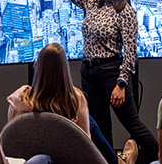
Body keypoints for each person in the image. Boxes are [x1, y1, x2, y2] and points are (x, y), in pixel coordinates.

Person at [18, 0, 158, 161]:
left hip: (112, 73)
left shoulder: (126, 12)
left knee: (133, 124)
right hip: (89, 72)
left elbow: (130, 50)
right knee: (100, 128)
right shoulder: (92, 3)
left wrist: (121, 83)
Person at [7, 43, 137, 164]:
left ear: (36, 66)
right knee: (89, 121)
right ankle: (118, 162)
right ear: (65, 70)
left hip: (30, 160)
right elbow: (85, 146)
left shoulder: (18, 103)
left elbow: (12, 142)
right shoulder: (75, 100)